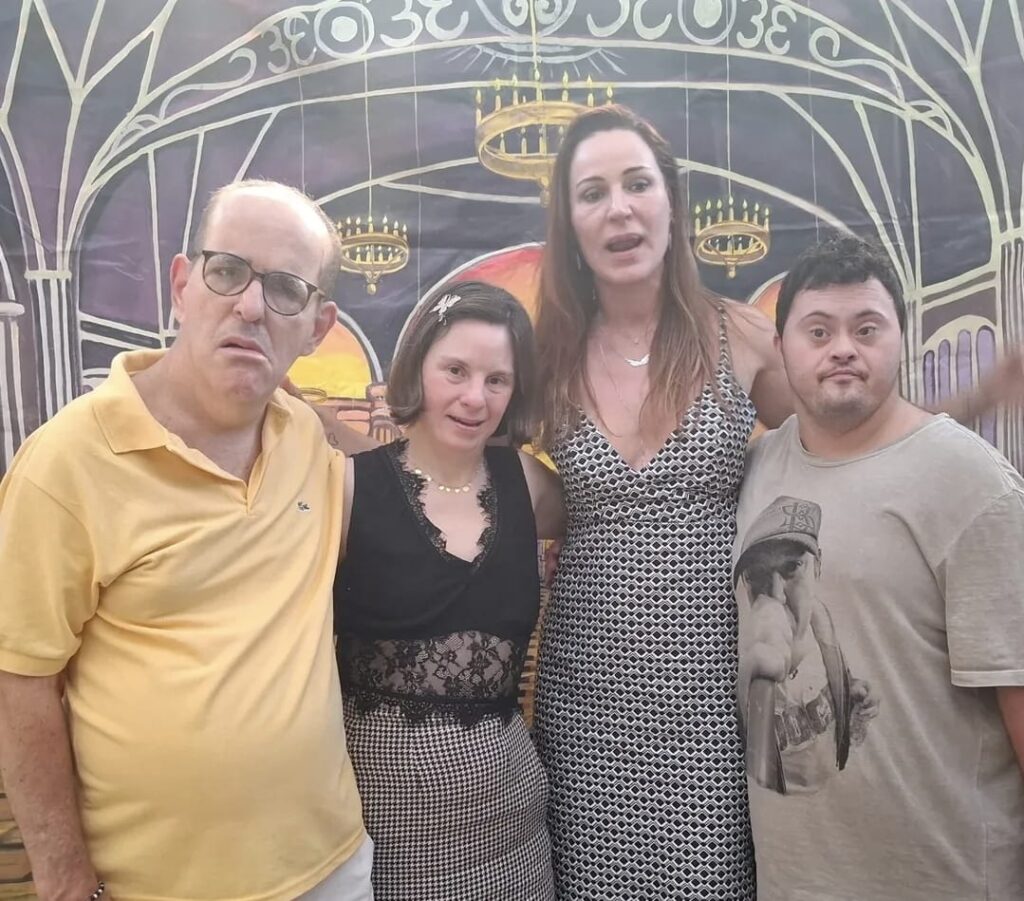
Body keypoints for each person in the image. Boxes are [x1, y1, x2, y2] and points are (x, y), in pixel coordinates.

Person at [527, 102, 1024, 899]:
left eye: (637, 183)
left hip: (721, 700)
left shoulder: (740, 335)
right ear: (570, 222)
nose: (618, 208)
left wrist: (969, 404)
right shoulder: (546, 354)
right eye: (592, 192)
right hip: (588, 697)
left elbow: (849, 440)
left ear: (671, 202)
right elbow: (470, 467)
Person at [0, 180, 372, 901]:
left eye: (285, 289)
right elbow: (20, 681)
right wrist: (65, 880)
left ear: (317, 328)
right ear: (182, 285)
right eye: (227, 270)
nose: (251, 306)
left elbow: (413, 482)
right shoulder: (65, 464)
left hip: (331, 868)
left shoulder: (307, 440)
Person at [735, 233, 1024, 900]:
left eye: (866, 328)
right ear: (782, 348)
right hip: (791, 882)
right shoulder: (757, 470)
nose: (843, 347)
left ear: (901, 338)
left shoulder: (974, 486)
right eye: (818, 330)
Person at [333, 281, 564, 899]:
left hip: (512, 834)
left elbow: (615, 527)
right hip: (384, 830)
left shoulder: (528, 484)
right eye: (455, 370)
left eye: (497, 379)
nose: (474, 397)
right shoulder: (348, 489)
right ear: (418, 366)